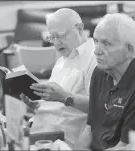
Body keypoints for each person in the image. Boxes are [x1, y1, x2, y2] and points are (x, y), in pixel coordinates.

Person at [74, 13, 135, 150]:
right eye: (96, 41)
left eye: (106, 44)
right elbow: (90, 128)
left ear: (129, 49)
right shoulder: (99, 73)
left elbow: (126, 147)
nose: (96, 51)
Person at [20, 8, 97, 147]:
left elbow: (100, 109)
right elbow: (56, 105)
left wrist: (65, 97)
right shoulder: (61, 61)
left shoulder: (94, 59)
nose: (56, 43)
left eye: (60, 36)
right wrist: (36, 106)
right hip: (39, 135)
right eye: (51, 37)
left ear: (79, 29)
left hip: (62, 142)